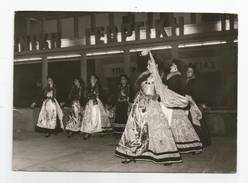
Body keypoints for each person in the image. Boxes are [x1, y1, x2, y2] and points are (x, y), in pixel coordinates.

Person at [115, 49, 197, 166]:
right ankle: (130, 153)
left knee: (158, 130)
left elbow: (158, 91)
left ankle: (167, 155)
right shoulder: (147, 76)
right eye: (148, 64)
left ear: (155, 65)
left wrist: (149, 53)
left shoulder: (156, 77)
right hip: (139, 107)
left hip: (151, 107)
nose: (148, 66)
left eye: (150, 64)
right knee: (134, 130)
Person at [165, 60, 204, 154]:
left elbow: (180, 92)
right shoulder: (180, 77)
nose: (171, 66)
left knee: (188, 125)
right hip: (180, 103)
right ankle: (192, 145)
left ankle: (195, 145)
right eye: (187, 71)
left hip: (182, 104)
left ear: (177, 67)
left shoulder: (177, 77)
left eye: (173, 65)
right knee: (184, 126)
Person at [185, 64, 211, 147]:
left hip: (193, 103)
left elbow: (193, 93)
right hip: (192, 102)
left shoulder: (192, 81)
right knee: (197, 121)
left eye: (190, 71)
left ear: (194, 73)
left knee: (195, 122)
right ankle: (202, 141)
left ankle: (198, 142)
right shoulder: (190, 80)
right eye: (187, 71)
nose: (188, 72)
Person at [80, 74, 112, 139]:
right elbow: (85, 94)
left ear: (95, 80)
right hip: (90, 102)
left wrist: (105, 103)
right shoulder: (88, 87)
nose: (91, 79)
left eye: (93, 78)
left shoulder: (98, 87)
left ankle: (98, 130)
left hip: (96, 102)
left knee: (96, 116)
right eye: (90, 78)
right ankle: (87, 132)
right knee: (87, 117)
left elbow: (101, 95)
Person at [113, 74, 131, 139]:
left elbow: (130, 94)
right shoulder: (119, 87)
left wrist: (125, 96)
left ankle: (124, 132)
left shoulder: (128, 86)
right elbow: (116, 94)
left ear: (126, 80)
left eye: (123, 79)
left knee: (124, 117)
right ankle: (117, 132)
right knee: (118, 117)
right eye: (121, 79)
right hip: (119, 103)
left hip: (125, 103)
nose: (122, 80)